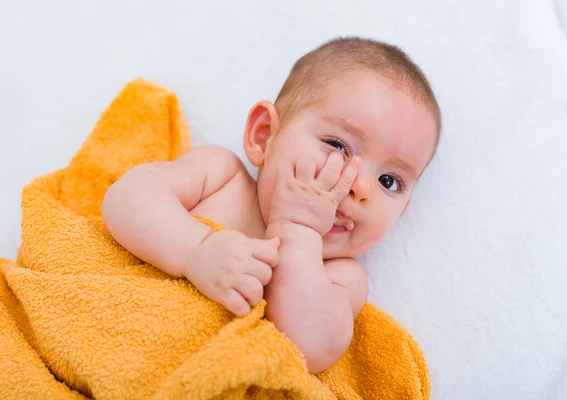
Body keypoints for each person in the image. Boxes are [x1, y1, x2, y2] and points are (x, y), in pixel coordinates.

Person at [102, 36, 441, 373]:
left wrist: (299, 231)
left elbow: (313, 350)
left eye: (389, 181)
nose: (359, 186)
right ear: (264, 136)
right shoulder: (220, 177)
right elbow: (126, 197)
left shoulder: (339, 277)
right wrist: (195, 251)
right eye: (338, 146)